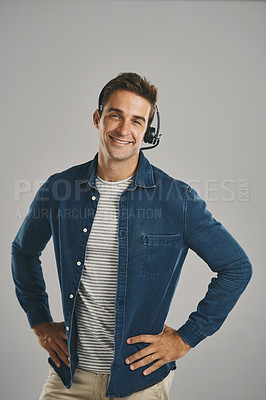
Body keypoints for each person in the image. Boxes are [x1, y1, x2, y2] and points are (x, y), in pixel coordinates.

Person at [11, 72, 252, 400]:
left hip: (140, 382)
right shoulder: (59, 189)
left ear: (148, 131)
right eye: (115, 115)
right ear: (98, 118)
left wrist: (186, 338)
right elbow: (23, 252)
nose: (124, 130)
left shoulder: (175, 199)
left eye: (137, 121)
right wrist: (39, 322)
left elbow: (236, 267)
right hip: (71, 374)